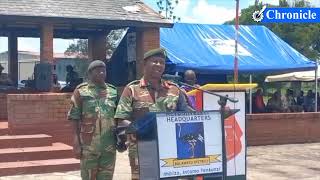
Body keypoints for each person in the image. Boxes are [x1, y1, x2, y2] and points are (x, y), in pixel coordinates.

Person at [114, 48, 194, 180]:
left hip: (169, 150)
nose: (159, 65)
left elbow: (189, 116)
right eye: (155, 61)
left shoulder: (174, 90)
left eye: (162, 63)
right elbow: (121, 120)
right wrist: (144, 129)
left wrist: (219, 115)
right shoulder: (132, 90)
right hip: (142, 148)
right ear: (144, 64)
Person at [67, 60, 118, 180]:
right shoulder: (81, 91)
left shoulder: (113, 91)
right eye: (97, 70)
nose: (101, 73)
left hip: (109, 145)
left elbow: (118, 117)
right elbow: (74, 118)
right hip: (89, 145)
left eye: (103, 70)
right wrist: (76, 143)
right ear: (89, 73)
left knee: (106, 177)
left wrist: (121, 138)